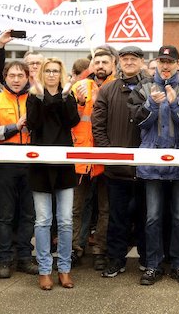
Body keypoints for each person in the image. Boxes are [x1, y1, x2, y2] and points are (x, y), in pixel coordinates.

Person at [128, 45, 179, 286]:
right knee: (152, 217)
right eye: (162, 61)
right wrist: (152, 106)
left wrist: (177, 105)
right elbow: (138, 123)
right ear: (156, 62)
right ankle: (153, 265)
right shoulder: (144, 88)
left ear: (178, 64)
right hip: (152, 162)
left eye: (170, 61)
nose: (165, 66)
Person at [92, 45, 148, 278]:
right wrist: (109, 154)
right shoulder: (108, 90)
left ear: (141, 62)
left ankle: (148, 259)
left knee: (147, 218)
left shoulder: (151, 87)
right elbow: (98, 126)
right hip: (117, 170)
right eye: (125, 58)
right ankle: (116, 259)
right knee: (117, 218)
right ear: (118, 62)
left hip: (146, 168)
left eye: (133, 58)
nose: (129, 62)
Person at [26, 57, 80, 290]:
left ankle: (65, 269)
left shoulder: (68, 95)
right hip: (40, 166)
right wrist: (40, 98)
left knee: (66, 220)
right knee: (43, 220)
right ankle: (45, 270)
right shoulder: (33, 95)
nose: (50, 74)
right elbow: (33, 124)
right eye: (47, 70)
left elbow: (72, 121)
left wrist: (65, 97)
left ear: (61, 73)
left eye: (55, 71)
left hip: (64, 165)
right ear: (41, 73)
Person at [0, 60, 38, 279]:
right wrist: (16, 126)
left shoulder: (35, 99)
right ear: (5, 77)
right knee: (5, 214)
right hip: (5, 159)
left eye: (21, 76)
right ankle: (4, 260)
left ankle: (25, 257)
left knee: (29, 213)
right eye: (12, 76)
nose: (16, 80)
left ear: (27, 77)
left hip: (31, 159)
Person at [71, 47, 116, 269]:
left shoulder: (118, 88)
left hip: (107, 157)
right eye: (96, 62)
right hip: (82, 156)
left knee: (105, 208)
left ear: (113, 65)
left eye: (104, 62)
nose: (100, 66)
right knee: (77, 208)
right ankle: (75, 249)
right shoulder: (79, 87)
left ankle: (99, 250)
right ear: (91, 66)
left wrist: (101, 101)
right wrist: (78, 103)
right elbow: (69, 120)